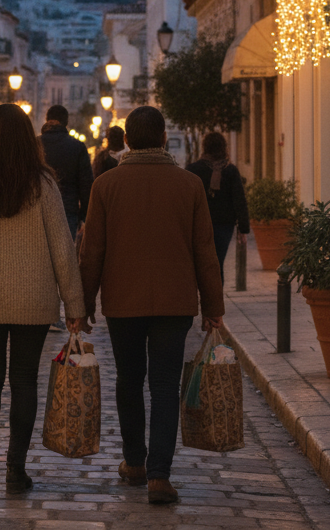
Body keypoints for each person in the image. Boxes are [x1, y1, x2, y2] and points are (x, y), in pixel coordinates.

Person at [79, 105, 225, 505]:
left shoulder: (106, 186)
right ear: (163, 138)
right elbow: (205, 251)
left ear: (126, 140)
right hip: (175, 302)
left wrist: (84, 302)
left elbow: (93, 252)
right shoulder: (189, 185)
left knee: (129, 381)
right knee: (164, 385)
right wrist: (214, 305)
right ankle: (160, 475)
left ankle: (134, 462)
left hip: (123, 301)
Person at [0, 103, 87, 498]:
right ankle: (15, 469)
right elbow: (62, 248)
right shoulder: (43, 184)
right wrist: (75, 305)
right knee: (24, 379)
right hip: (33, 299)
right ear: (29, 140)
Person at [185, 131, 251, 272]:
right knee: (217, 263)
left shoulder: (193, 170)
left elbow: (185, 200)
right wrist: (243, 229)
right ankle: (215, 292)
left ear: (205, 147)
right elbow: (239, 200)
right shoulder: (230, 171)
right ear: (223, 147)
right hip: (224, 225)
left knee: (200, 263)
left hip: (199, 225)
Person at [39, 105, 93, 238]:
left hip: (39, 209)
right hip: (68, 209)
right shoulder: (77, 147)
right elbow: (86, 185)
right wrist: (84, 215)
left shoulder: (35, 144)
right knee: (65, 252)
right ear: (66, 122)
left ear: (47, 120)